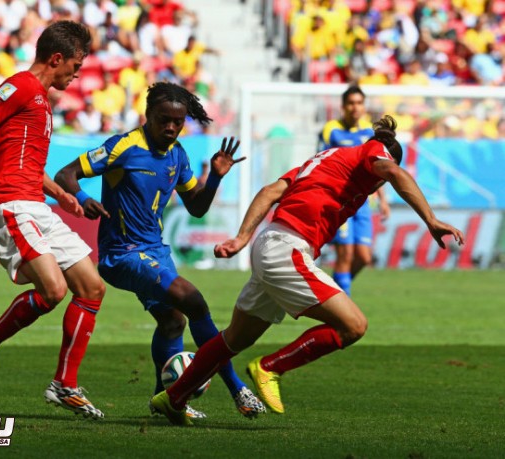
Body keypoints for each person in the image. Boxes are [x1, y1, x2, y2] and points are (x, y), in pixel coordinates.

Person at [150, 115, 465, 425]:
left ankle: (173, 396)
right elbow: (393, 171)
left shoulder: (324, 159)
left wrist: (243, 238)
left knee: (235, 338)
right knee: (354, 325)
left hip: (271, 244)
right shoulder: (374, 152)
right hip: (287, 249)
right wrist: (431, 220)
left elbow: (271, 191)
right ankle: (270, 368)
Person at [54, 81, 265, 420]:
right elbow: (66, 174)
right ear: (148, 115)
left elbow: (196, 208)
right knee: (193, 300)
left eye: (177, 122)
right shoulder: (124, 146)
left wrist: (215, 178)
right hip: (122, 253)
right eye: (163, 119)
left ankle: (165, 401)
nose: (170, 127)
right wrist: (83, 199)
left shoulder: (178, 154)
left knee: (172, 322)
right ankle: (238, 388)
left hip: (155, 250)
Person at [0, 20, 106, 420]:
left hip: (39, 207)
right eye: (74, 67)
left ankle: (65, 385)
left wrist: (64, 195)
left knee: (91, 288)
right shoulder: (21, 85)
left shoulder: (41, 100)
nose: (76, 76)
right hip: (11, 206)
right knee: (54, 290)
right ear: (55, 58)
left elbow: (30, 165)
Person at [319, 85, 390, 297]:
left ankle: (334, 292)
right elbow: (322, 161)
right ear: (343, 106)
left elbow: (376, 167)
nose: (355, 107)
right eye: (351, 103)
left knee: (364, 257)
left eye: (359, 103)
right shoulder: (331, 129)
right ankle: (342, 309)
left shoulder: (369, 132)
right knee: (345, 254)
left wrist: (383, 199)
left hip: (364, 202)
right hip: (341, 199)